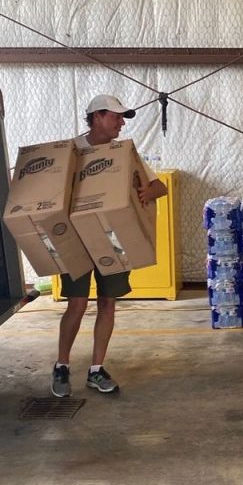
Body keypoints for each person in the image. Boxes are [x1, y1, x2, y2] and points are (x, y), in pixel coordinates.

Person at [51, 94, 167, 397]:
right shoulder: (69, 152)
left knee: (107, 302)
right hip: (75, 239)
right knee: (76, 303)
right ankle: (61, 366)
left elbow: (159, 186)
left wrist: (146, 192)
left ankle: (96, 370)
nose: (121, 123)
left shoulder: (124, 153)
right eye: (116, 116)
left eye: (122, 117)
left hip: (112, 239)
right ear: (97, 117)